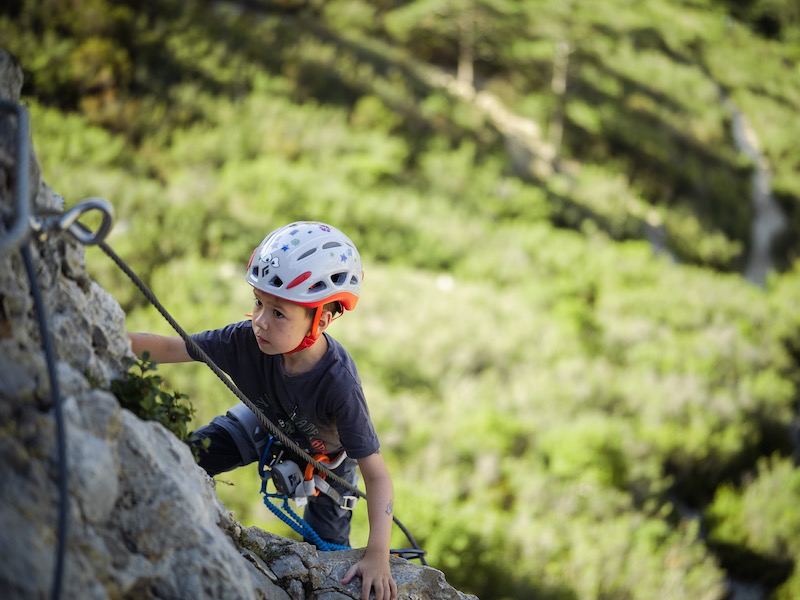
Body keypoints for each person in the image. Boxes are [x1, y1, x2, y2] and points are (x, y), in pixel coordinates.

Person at [128, 221, 397, 600]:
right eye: (258, 302)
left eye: (279, 312)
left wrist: (377, 556)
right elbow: (172, 348)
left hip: (326, 465)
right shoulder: (246, 340)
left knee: (330, 553)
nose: (260, 321)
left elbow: (378, 476)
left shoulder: (338, 385)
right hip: (263, 422)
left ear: (321, 319)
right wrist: (105, 334)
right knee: (186, 459)